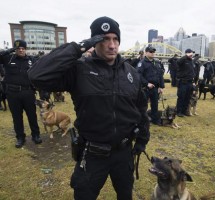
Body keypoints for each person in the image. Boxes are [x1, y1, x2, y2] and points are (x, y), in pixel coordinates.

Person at [28, 16, 150, 200]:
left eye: (115, 39)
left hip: (124, 153)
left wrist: (142, 140)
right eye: (104, 39)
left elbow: (141, 109)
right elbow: (37, 76)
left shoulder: (130, 73)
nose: (111, 45)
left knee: (125, 195)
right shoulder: (79, 70)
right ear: (94, 42)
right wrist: (78, 47)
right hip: (93, 154)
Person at [0, 39, 42, 148]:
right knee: (16, 117)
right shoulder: (8, 59)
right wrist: (10, 50)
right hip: (12, 93)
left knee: (32, 115)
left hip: (28, 92)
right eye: (18, 48)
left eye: (23, 48)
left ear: (25, 49)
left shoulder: (31, 60)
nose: (21, 50)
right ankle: (20, 137)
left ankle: (36, 135)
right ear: (15, 49)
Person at [137, 46, 164, 125]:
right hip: (145, 88)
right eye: (150, 52)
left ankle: (154, 119)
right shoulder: (142, 63)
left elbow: (160, 75)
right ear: (146, 52)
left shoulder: (157, 62)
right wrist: (146, 83)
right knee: (143, 106)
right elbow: (138, 75)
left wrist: (161, 86)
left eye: (153, 52)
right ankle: (143, 121)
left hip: (155, 88)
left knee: (155, 105)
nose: (152, 53)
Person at [176, 49, 195, 117]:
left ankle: (184, 111)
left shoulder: (191, 61)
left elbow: (192, 72)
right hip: (183, 82)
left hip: (190, 82)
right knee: (181, 97)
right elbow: (178, 62)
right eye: (189, 53)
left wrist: (193, 82)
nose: (191, 54)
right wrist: (185, 56)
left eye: (192, 53)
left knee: (187, 97)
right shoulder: (183, 60)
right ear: (186, 53)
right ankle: (179, 112)